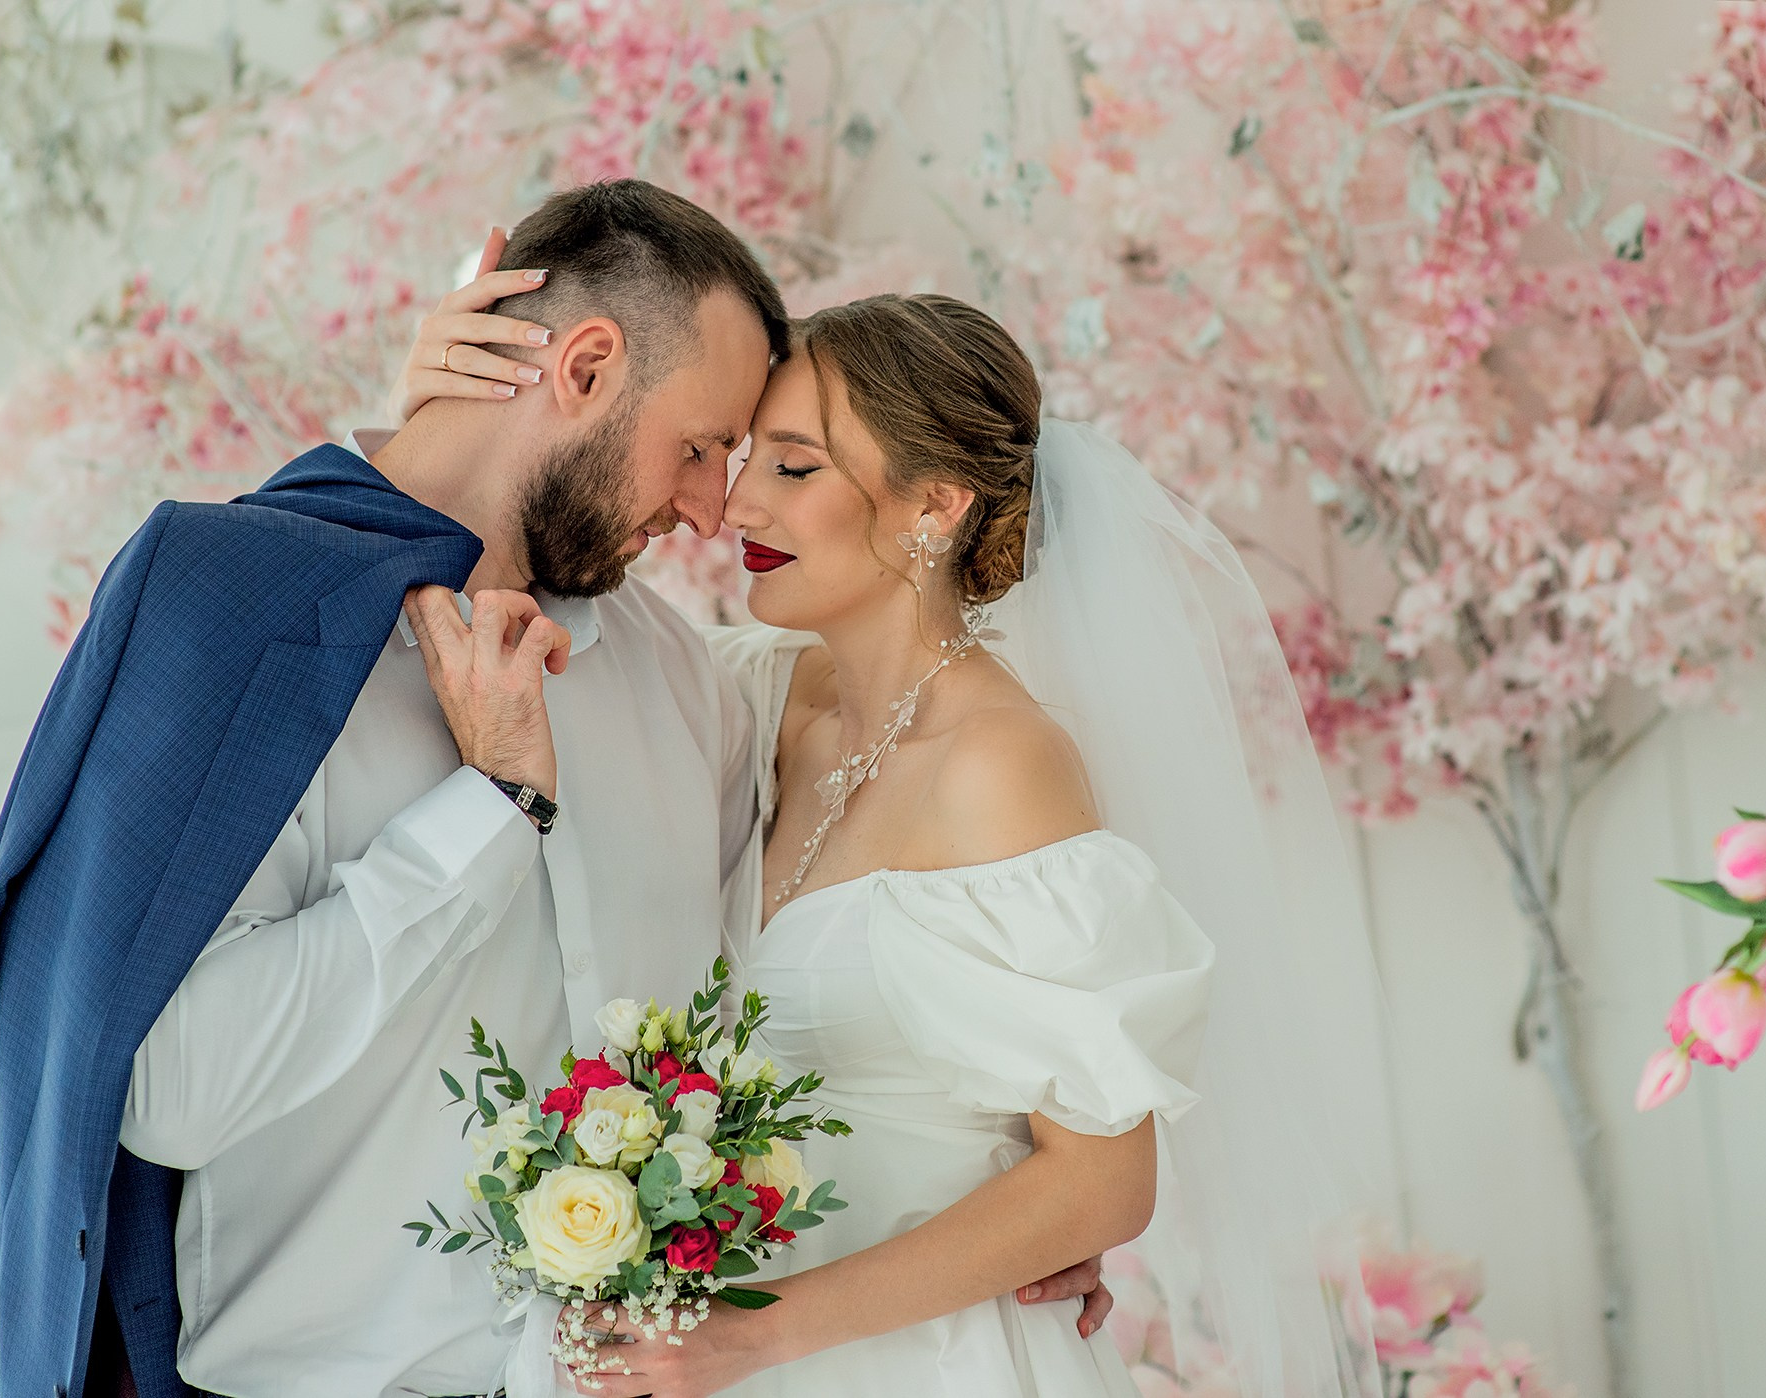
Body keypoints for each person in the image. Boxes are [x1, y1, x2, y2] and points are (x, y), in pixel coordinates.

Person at [0, 178, 1107, 1398]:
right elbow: (168, 1098)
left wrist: (1010, 1206)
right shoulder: (243, 617)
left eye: (753, 461)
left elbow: (781, 1017)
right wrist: (487, 815)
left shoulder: (686, 682)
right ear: (585, 368)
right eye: (701, 448)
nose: (714, 509)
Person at [401, 288, 1397, 1398]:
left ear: (933, 507)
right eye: (742, 458)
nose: (733, 507)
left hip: (921, 1360)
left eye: (793, 466)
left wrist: (751, 1336)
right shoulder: (750, 692)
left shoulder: (1000, 765)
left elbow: (1100, 1185)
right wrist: (440, 410)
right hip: (719, 1353)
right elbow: (515, 587)